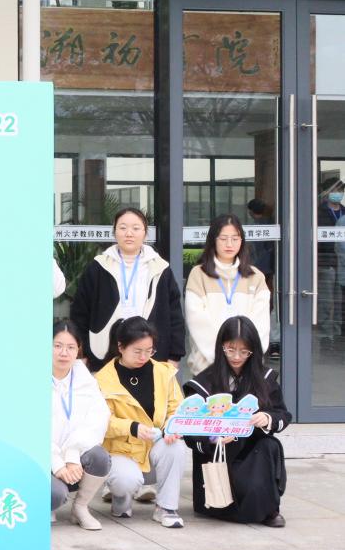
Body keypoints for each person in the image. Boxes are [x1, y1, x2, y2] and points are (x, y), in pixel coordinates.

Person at [185, 316, 290, 526]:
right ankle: (241, 507)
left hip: (251, 452)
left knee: (269, 445)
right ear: (221, 347)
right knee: (227, 492)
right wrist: (213, 438)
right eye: (230, 349)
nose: (236, 357)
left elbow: (282, 414)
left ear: (253, 351)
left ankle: (268, 508)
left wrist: (267, 418)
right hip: (218, 455)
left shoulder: (265, 379)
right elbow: (190, 431)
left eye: (244, 351)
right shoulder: (203, 383)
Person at [95, 317, 188, 528]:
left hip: (153, 449)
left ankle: (166, 507)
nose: (144, 357)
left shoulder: (164, 372)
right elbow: (101, 422)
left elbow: (176, 408)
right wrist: (132, 428)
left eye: (149, 351)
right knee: (125, 481)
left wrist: (171, 428)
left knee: (176, 448)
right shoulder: (103, 379)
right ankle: (121, 498)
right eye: (137, 351)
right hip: (121, 451)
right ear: (120, 347)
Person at [70, 207, 185, 368]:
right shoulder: (98, 267)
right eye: (123, 228)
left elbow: (175, 316)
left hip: (152, 355)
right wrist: (81, 353)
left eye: (136, 228)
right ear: (115, 232)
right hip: (104, 353)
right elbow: (80, 313)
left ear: (145, 233)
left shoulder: (160, 269)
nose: (129, 233)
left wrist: (174, 356)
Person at [185, 213, 270, 375]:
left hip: (247, 370)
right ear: (213, 240)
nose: (229, 244)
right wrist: (223, 358)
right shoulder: (199, 274)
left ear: (242, 241)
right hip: (207, 369)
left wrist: (241, 357)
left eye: (235, 238)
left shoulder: (256, 277)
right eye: (223, 238)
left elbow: (261, 325)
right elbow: (198, 322)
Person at [49, 319, 111, 531]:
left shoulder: (85, 379)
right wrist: (57, 463)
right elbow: (29, 429)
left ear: (78, 350)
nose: (64, 353)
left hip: (72, 459)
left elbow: (98, 418)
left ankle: (80, 507)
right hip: (43, 457)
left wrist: (72, 455)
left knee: (100, 457)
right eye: (57, 346)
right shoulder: (31, 378)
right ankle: (48, 505)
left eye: (70, 347)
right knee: (55, 495)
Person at [318, 179, 345, 342]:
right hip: (326, 261)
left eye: (341, 190)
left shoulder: (344, 212)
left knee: (340, 300)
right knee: (326, 301)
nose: (339, 193)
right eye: (335, 190)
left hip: (342, 264)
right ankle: (325, 334)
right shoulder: (318, 213)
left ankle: (338, 331)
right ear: (326, 193)